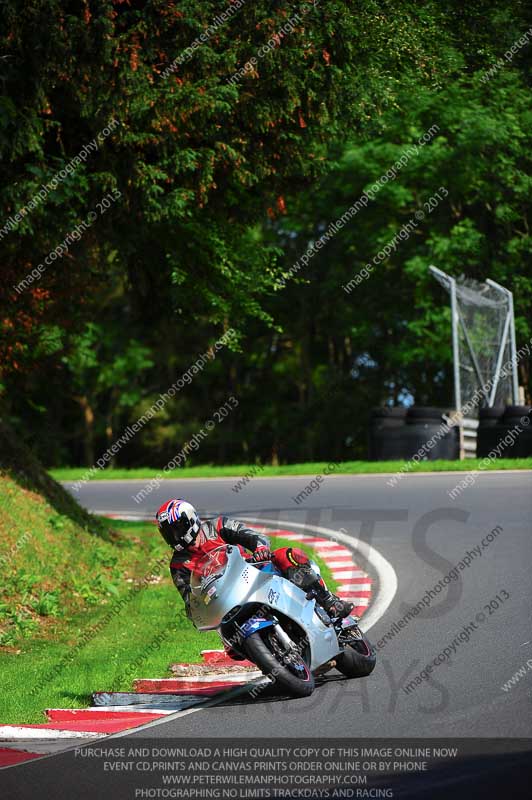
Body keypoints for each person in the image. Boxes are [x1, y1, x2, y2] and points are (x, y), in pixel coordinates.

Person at [155, 498, 354, 625]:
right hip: (227, 601)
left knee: (286, 554)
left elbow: (254, 537)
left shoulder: (218, 526)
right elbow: (189, 598)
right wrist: (194, 609)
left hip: (253, 572)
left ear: (190, 520)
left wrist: (260, 549)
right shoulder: (178, 565)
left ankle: (329, 600)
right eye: (168, 533)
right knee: (232, 648)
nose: (174, 536)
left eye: (177, 528)